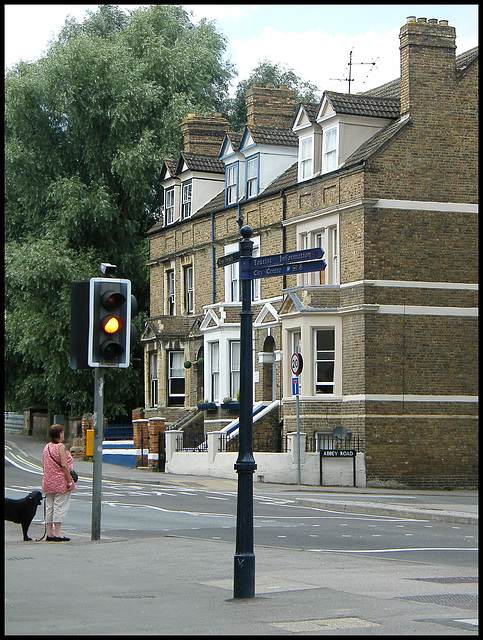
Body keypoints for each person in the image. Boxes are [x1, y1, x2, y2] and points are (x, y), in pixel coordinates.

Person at [42, 424, 76, 541]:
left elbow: (44, 465)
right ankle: (58, 533)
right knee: (59, 506)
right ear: (60, 434)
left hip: (48, 481)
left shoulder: (47, 447)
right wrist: (69, 481)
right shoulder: (61, 447)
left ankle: (49, 533)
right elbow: (65, 465)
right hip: (60, 482)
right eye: (62, 432)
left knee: (49, 506)